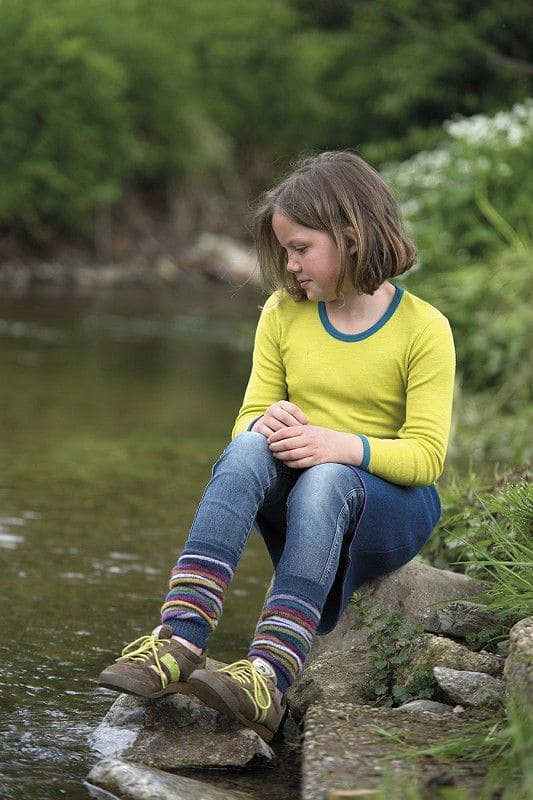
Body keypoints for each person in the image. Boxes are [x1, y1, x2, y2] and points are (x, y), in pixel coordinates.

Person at [98, 151, 455, 743]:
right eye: (285, 249)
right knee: (245, 449)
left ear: (352, 236)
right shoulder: (283, 313)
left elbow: (426, 456)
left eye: (300, 248)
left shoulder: (423, 328)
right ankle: (180, 638)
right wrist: (266, 422)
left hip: (389, 510)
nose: (289, 264)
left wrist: (337, 444)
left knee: (327, 476)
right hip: (305, 501)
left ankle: (269, 674)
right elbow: (246, 421)